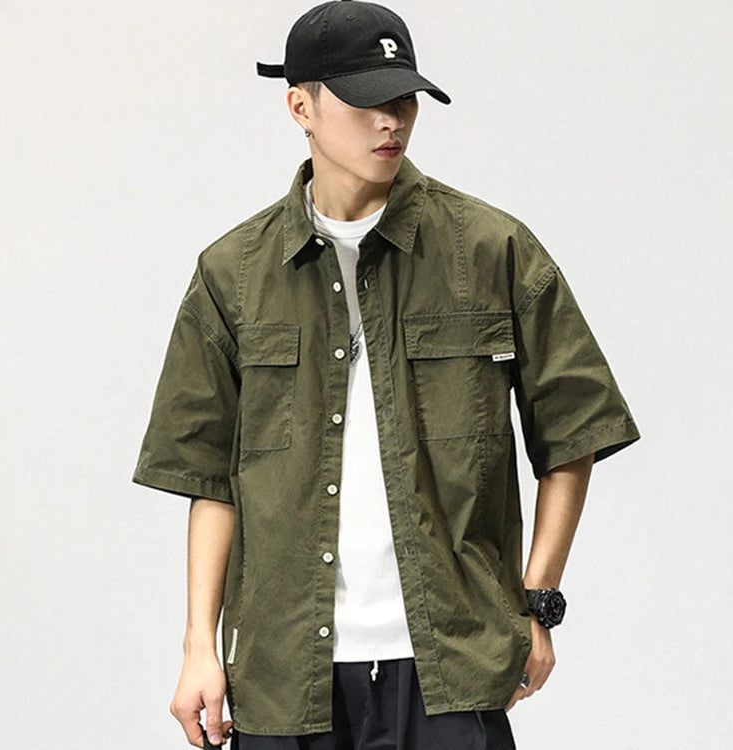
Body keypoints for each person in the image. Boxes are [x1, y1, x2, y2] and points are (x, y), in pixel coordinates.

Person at [132, 2, 640, 748]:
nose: (391, 121)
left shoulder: (491, 250)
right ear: (300, 107)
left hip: (452, 663)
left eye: (404, 99)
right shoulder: (232, 274)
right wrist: (198, 646)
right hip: (284, 669)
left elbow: (574, 432)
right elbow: (211, 478)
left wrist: (538, 601)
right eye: (366, 100)